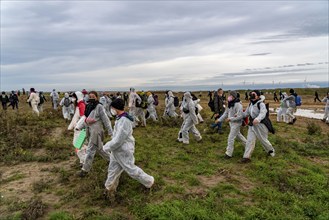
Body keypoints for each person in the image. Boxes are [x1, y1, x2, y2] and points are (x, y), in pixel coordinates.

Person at [103, 98, 154, 198]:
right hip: (116, 150)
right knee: (112, 169)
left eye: (112, 108)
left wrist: (106, 147)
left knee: (131, 169)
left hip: (123, 150)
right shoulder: (120, 118)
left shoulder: (124, 121)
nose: (111, 110)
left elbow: (119, 140)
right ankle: (109, 189)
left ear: (115, 108)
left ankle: (149, 181)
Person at [76, 91, 113, 177]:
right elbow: (86, 118)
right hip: (89, 131)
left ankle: (85, 170)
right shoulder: (88, 106)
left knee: (90, 150)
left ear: (97, 97)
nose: (91, 98)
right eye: (90, 96)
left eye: (93, 96)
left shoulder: (99, 106)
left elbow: (106, 120)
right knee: (100, 150)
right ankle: (114, 161)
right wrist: (80, 127)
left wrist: (111, 132)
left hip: (96, 132)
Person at [241, 90, 275, 163]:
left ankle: (271, 151)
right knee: (250, 140)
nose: (252, 96)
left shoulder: (261, 104)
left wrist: (257, 119)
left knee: (263, 140)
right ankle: (246, 157)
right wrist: (239, 114)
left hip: (261, 125)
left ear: (258, 96)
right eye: (251, 94)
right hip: (252, 125)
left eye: (254, 94)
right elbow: (246, 113)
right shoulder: (250, 104)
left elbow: (263, 113)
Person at [216, 91, 246, 158]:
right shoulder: (229, 104)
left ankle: (228, 154)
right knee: (239, 136)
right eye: (229, 95)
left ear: (234, 96)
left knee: (230, 138)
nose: (229, 97)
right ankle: (247, 145)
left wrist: (230, 119)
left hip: (237, 124)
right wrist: (219, 120)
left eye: (230, 95)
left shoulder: (238, 105)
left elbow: (240, 116)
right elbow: (226, 113)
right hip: (231, 124)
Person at [68, 91, 87, 165]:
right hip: (79, 129)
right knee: (80, 145)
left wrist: (77, 126)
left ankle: (85, 161)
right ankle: (83, 161)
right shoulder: (79, 105)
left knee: (78, 145)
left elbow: (83, 117)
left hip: (81, 130)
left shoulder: (81, 105)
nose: (72, 99)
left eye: (74, 97)